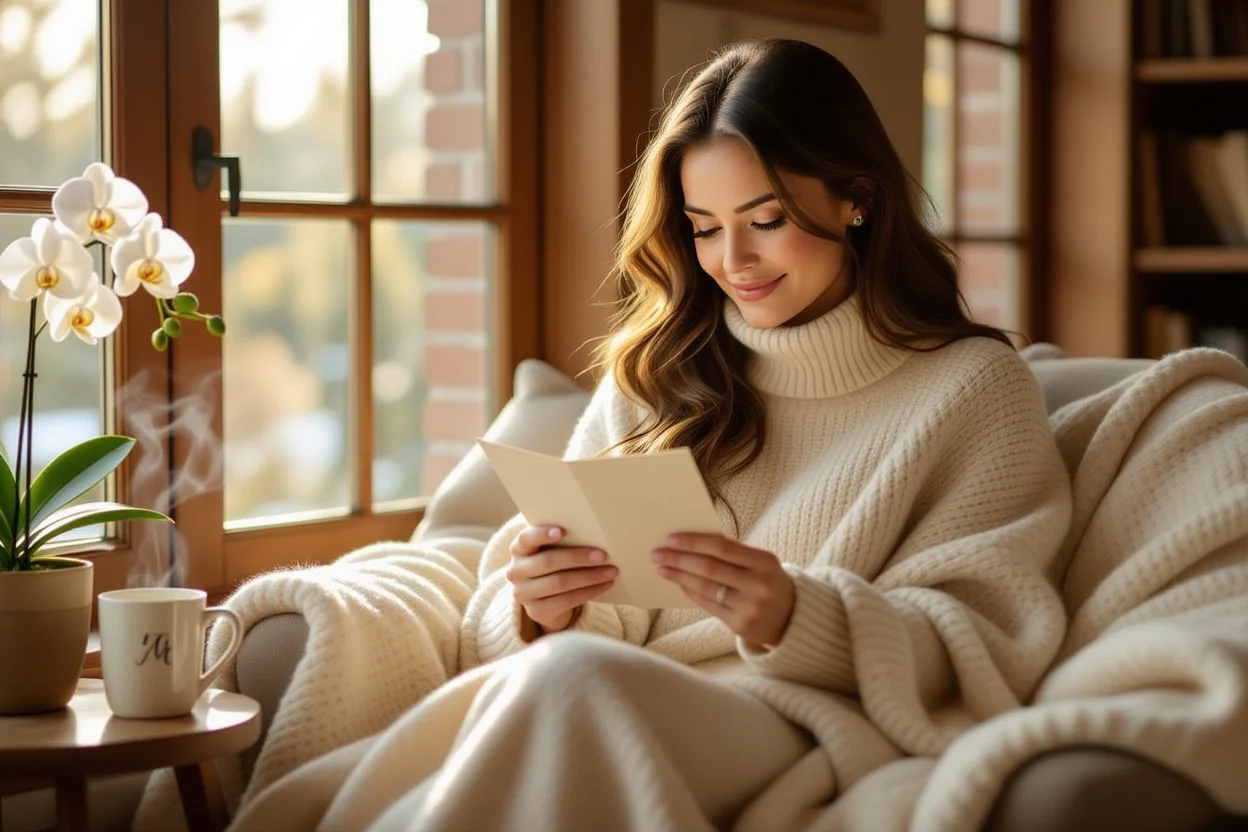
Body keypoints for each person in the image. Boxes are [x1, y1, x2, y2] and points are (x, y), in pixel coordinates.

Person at [234, 37, 1073, 831]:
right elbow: (575, 625)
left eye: (766, 218)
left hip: (797, 717)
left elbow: (994, 634)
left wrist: (796, 613)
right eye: (703, 226)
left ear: (858, 199)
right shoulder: (661, 374)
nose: (730, 258)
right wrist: (543, 608)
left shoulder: (973, 388)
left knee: (570, 685)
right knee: (562, 674)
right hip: (600, 686)